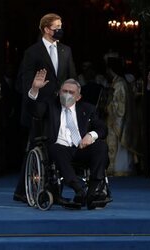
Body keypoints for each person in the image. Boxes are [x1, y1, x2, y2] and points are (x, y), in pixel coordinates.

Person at [14, 13, 77, 202]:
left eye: (61, 25)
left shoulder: (66, 50)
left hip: (62, 107)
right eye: (56, 26)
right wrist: (35, 90)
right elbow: (24, 83)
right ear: (46, 29)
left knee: (59, 147)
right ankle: (25, 191)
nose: (60, 29)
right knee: (38, 147)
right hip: (39, 109)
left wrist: (72, 98)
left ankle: (45, 191)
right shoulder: (32, 52)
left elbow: (72, 77)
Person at [28, 70, 110, 209]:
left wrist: (91, 135)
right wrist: (35, 88)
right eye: (64, 91)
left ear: (78, 97)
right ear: (59, 92)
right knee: (56, 148)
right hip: (59, 149)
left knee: (101, 146)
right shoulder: (50, 105)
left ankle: (92, 191)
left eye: (71, 92)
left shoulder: (88, 109)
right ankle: (79, 190)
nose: (66, 94)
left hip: (81, 148)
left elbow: (102, 129)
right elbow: (35, 111)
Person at [105, 56, 139, 176]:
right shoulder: (118, 82)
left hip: (117, 119)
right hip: (114, 119)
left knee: (119, 144)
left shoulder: (119, 84)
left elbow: (120, 104)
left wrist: (108, 106)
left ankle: (120, 168)